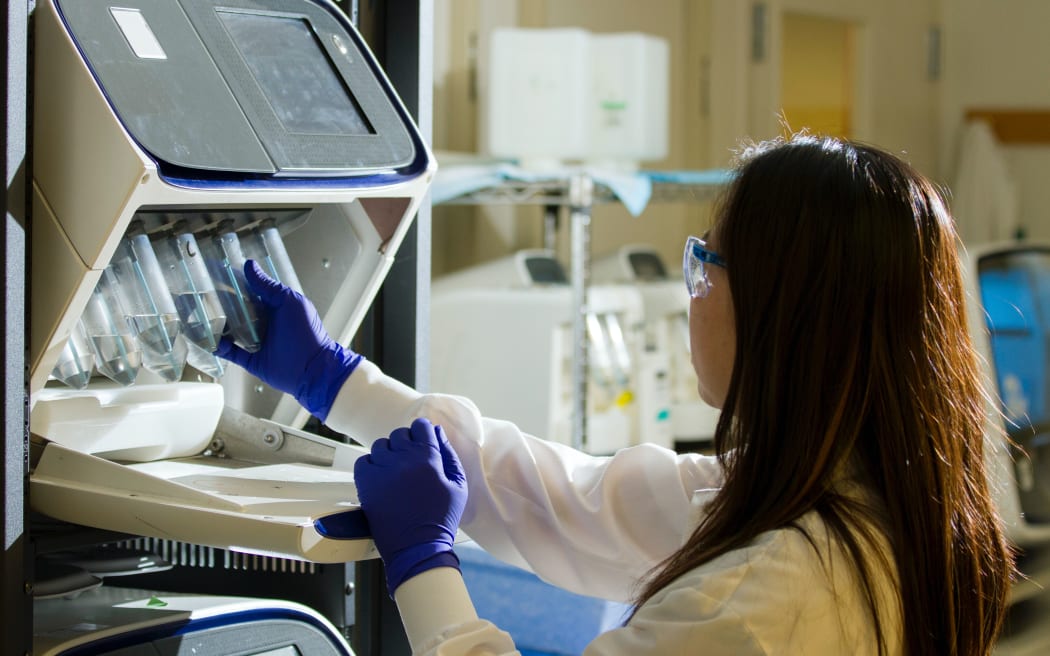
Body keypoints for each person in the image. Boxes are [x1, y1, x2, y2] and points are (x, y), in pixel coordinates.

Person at [217, 134, 1015, 655]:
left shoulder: (766, 598)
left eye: (707, 264)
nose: (693, 289)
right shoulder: (862, 503)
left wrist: (426, 567)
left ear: (783, 312)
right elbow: (567, 499)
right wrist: (338, 382)